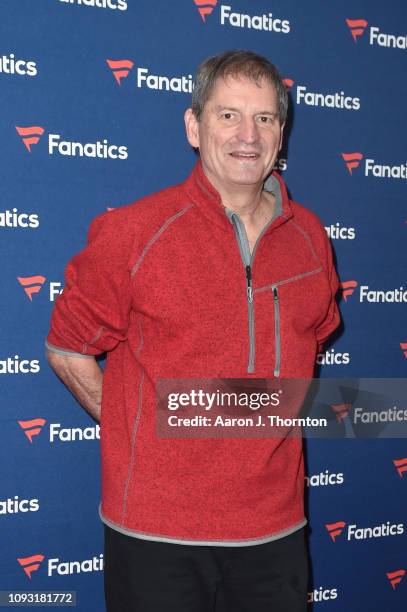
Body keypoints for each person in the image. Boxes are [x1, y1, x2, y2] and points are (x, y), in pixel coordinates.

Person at [46, 50, 340, 612]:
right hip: (157, 535)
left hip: (275, 531)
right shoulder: (134, 233)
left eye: (265, 118)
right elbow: (67, 348)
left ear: (282, 133)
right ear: (193, 125)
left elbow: (311, 338)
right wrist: (137, 431)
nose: (247, 135)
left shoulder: (311, 238)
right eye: (227, 115)